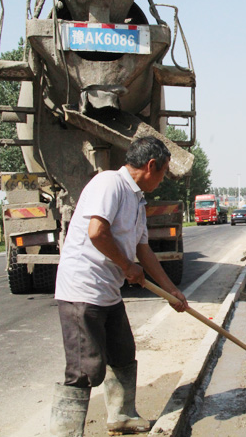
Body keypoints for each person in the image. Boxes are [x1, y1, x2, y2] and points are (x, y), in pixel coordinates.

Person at [50, 136, 189, 436]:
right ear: (151, 166)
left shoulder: (137, 198)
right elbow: (97, 232)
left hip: (107, 292)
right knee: (86, 369)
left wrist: (171, 292)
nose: (163, 179)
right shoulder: (110, 184)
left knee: (123, 353)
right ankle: (65, 432)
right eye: (164, 171)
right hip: (81, 290)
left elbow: (144, 251)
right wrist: (126, 267)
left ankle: (122, 415)